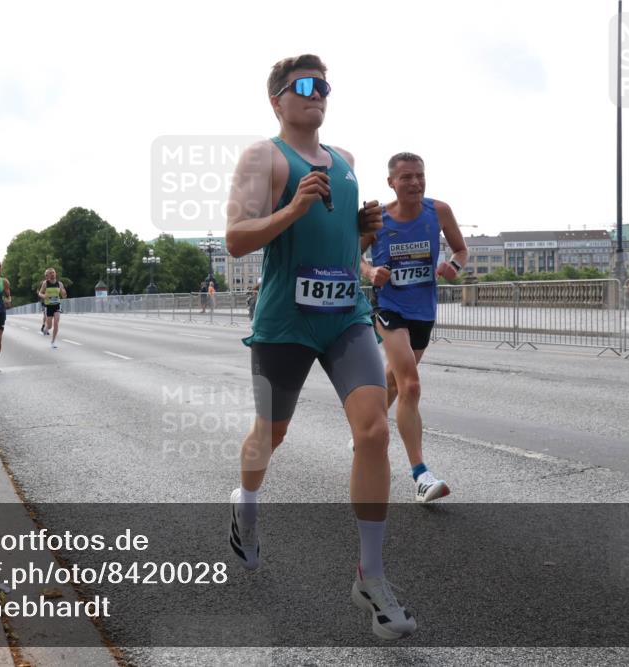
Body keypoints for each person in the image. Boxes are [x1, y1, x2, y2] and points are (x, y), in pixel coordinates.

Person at [224, 54, 415, 639]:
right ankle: (246, 506)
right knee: (271, 435)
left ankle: (371, 576)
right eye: (303, 86)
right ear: (277, 100)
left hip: (345, 318)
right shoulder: (263, 156)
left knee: (374, 430)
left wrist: (363, 230)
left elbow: (342, 243)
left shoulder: (347, 162)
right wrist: (293, 206)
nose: (317, 93)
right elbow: (235, 239)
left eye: (324, 86)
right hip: (285, 321)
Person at [360, 152, 468, 503]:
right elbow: (350, 256)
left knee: (394, 379)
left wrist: (454, 265)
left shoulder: (438, 211)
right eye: (406, 177)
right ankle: (421, 475)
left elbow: (461, 249)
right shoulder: (378, 220)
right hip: (389, 307)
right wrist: (369, 272)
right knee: (411, 384)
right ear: (391, 182)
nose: (415, 183)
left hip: (423, 309)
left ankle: (366, 429)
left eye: (419, 176)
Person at [37, 268, 67, 350]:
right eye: (50, 273)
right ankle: (46, 329)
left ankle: (53, 342)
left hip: (57, 305)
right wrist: (44, 296)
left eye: (53, 272)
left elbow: (64, 295)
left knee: (56, 323)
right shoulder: (45, 283)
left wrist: (64, 294)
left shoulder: (59, 284)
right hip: (49, 306)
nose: (52, 274)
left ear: (55, 274)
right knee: (49, 326)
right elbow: (40, 293)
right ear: (48, 275)